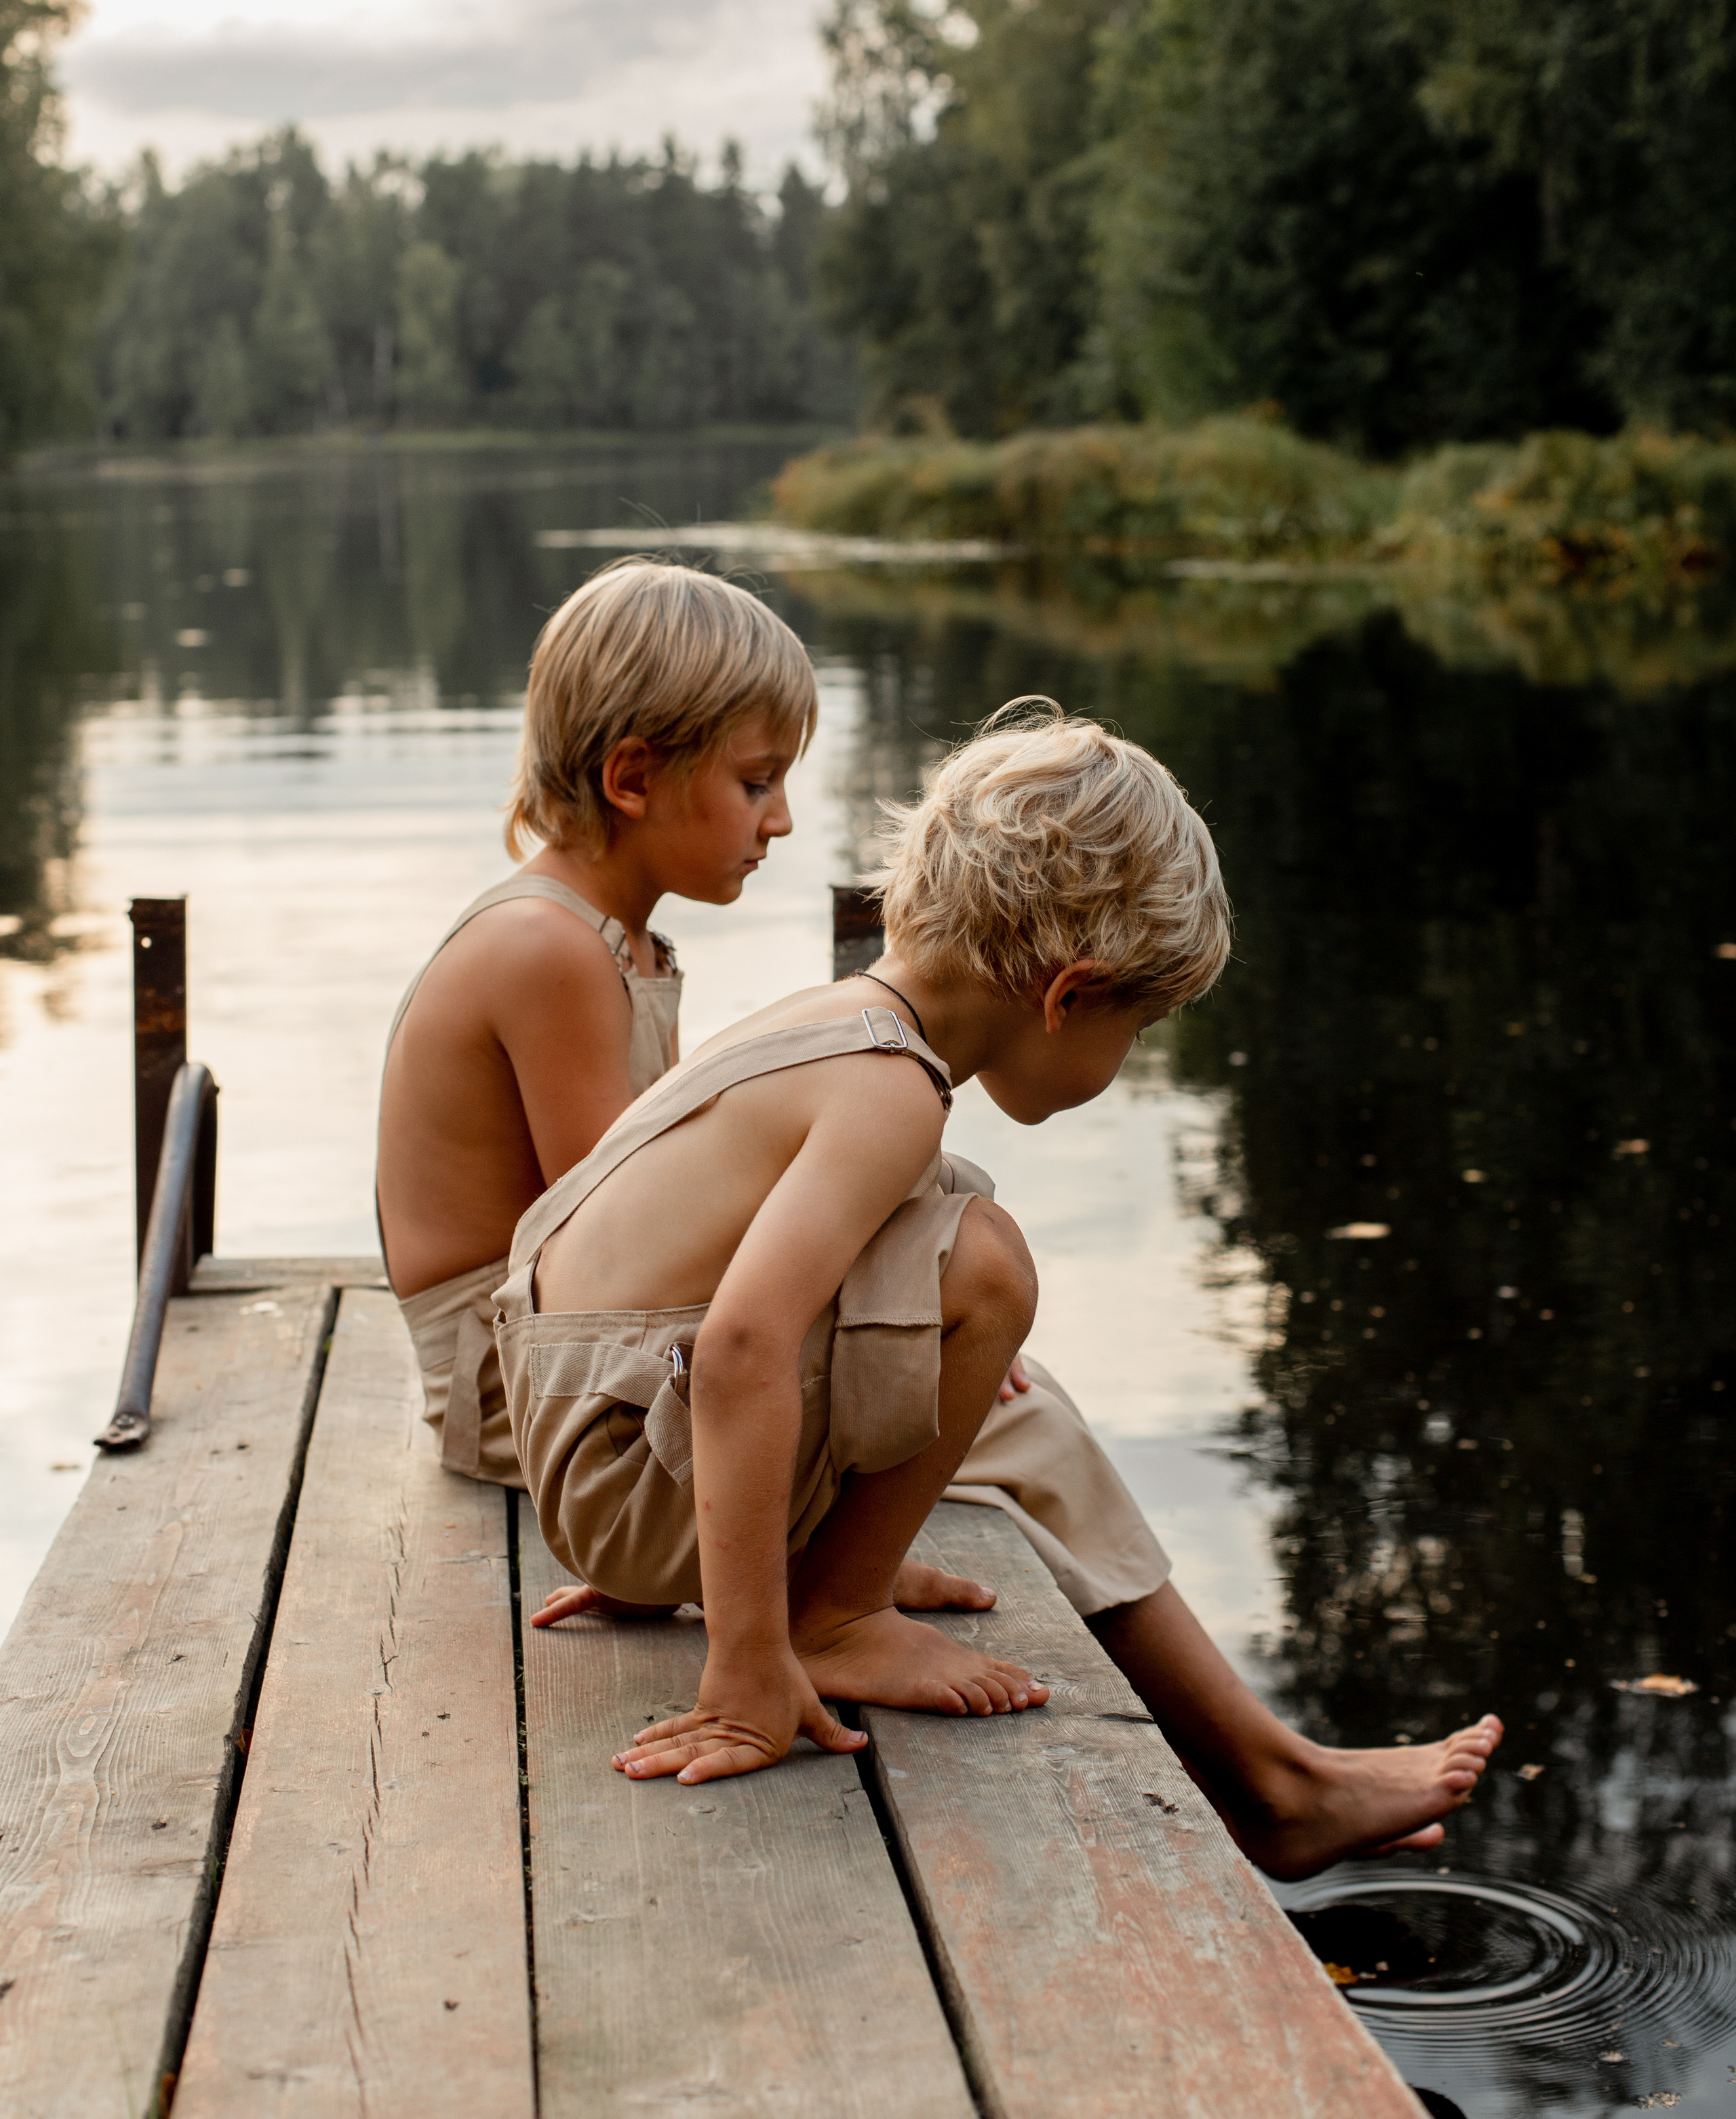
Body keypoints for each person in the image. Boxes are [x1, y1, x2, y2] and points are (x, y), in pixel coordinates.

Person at [494, 706, 1503, 1874]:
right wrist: (747, 1662)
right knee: (986, 1266)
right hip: (619, 1476)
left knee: (961, 1274)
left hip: (584, 1437)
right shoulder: (892, 1090)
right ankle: (835, 1618)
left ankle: (858, 1600)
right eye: (1142, 1025)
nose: (1126, 1060)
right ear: (1069, 995)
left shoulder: (840, 1025)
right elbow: (736, 1352)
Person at [376, 559, 1157, 1620]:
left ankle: (1257, 1756)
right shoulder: (546, 951)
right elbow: (619, 1223)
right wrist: (914, 1311)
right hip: (512, 1386)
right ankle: (1248, 1759)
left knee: (993, 1381)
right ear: (633, 777)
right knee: (1007, 1407)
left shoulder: (614, 939)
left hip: (555, 1355)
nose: (781, 820)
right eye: (757, 781)